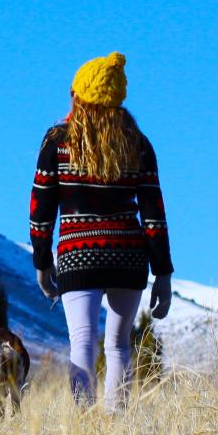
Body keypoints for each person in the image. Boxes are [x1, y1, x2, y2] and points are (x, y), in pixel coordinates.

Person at [28, 52, 173, 411]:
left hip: (78, 255)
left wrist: (42, 261)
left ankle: (84, 427)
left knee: (82, 343)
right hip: (128, 256)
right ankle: (117, 427)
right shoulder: (139, 144)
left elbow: (41, 208)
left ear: (78, 96)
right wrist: (163, 273)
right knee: (119, 346)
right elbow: (154, 215)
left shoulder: (57, 141)